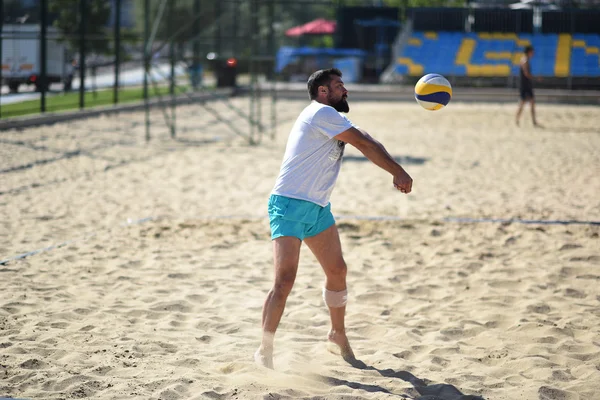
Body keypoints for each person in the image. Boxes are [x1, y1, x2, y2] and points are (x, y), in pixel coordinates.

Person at [254, 68, 413, 369]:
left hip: (317, 207)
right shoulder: (319, 112)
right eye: (339, 86)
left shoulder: (332, 117)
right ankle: (264, 350)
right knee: (284, 280)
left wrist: (394, 168)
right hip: (288, 204)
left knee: (338, 270)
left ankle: (336, 334)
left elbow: (366, 139)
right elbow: (365, 143)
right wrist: (397, 171)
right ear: (323, 92)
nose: (345, 91)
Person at [515, 45, 540, 127]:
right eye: (532, 51)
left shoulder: (526, 60)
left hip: (527, 84)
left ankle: (533, 121)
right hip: (524, 85)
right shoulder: (524, 60)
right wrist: (536, 78)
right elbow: (526, 74)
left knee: (531, 102)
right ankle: (517, 120)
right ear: (529, 52)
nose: (533, 53)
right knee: (522, 102)